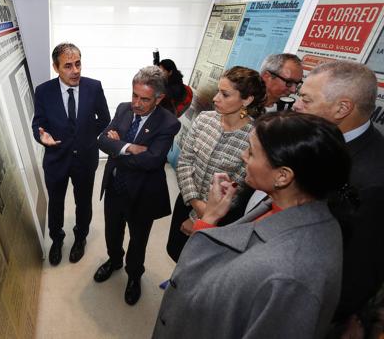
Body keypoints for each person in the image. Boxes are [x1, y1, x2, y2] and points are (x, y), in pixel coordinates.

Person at [153, 111, 351, 339]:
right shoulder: (279, 204)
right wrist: (210, 217)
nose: (243, 156)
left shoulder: (290, 277)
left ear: (283, 176)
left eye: (252, 152)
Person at [291, 60, 384, 337]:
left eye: (306, 99)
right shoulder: (318, 141)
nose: (296, 105)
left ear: (342, 109)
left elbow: (358, 270)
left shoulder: (374, 180)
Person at [93, 66, 180, 305]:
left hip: (142, 192)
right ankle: (114, 260)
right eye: (134, 95)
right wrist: (128, 147)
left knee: (138, 239)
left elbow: (152, 161)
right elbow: (101, 139)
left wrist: (116, 146)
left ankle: (133, 275)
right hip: (114, 185)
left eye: (144, 99)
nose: (137, 103)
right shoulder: (123, 109)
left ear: (159, 98)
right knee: (112, 230)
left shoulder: (169, 123)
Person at [165, 66, 266, 262]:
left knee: (200, 260)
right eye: (218, 91)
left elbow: (239, 186)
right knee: (175, 250)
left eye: (225, 94)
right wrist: (196, 203)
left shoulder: (253, 136)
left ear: (247, 99)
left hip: (222, 215)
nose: (215, 98)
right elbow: (185, 161)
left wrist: (199, 218)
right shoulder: (204, 119)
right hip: (187, 198)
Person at [31, 42, 110, 266]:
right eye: (68, 66)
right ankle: (56, 240)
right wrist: (41, 137)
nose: (75, 70)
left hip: (85, 158)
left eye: (78, 64)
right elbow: (39, 123)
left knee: (83, 202)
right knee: (55, 203)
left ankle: (80, 238)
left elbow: (104, 120)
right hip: (56, 158)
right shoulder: (44, 91)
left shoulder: (94, 87)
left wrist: (84, 136)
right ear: (56, 68)